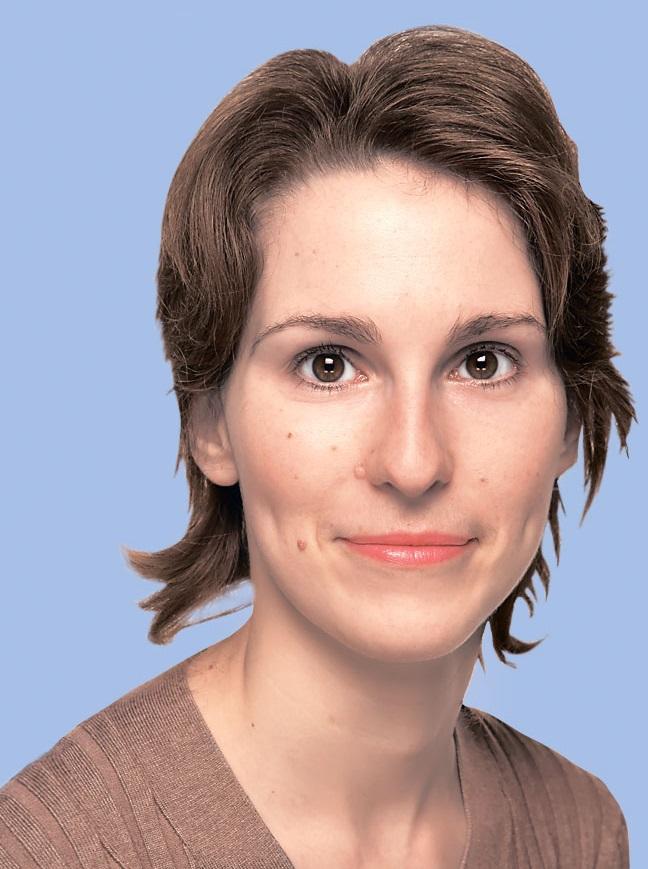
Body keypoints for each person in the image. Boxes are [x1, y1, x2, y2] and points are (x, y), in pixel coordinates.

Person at [0, 23, 635, 869]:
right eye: (328, 364)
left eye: (483, 362)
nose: (413, 461)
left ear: (571, 414)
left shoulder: (580, 831)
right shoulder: (54, 850)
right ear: (209, 421)